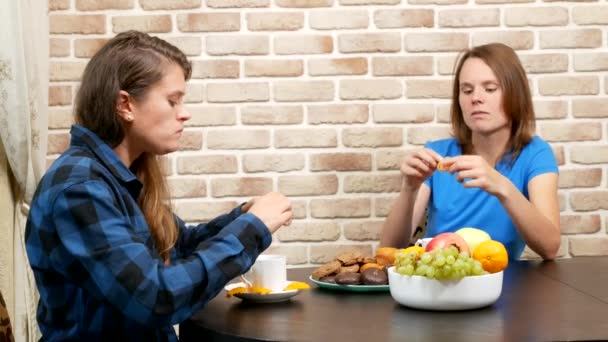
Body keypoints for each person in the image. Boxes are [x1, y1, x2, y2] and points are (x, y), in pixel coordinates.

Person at [25, 30, 292, 341]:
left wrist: (240, 218)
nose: (185, 113)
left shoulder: (115, 177)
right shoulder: (81, 189)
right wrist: (252, 229)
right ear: (125, 104)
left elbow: (178, 247)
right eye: (172, 100)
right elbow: (156, 297)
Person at [381, 43, 560, 260]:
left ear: (516, 94)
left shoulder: (535, 154)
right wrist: (409, 189)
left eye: (490, 88)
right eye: (467, 90)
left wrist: (501, 186)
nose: (476, 98)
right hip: (439, 280)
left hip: (502, 283)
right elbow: (389, 250)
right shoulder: (437, 154)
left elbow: (550, 248)